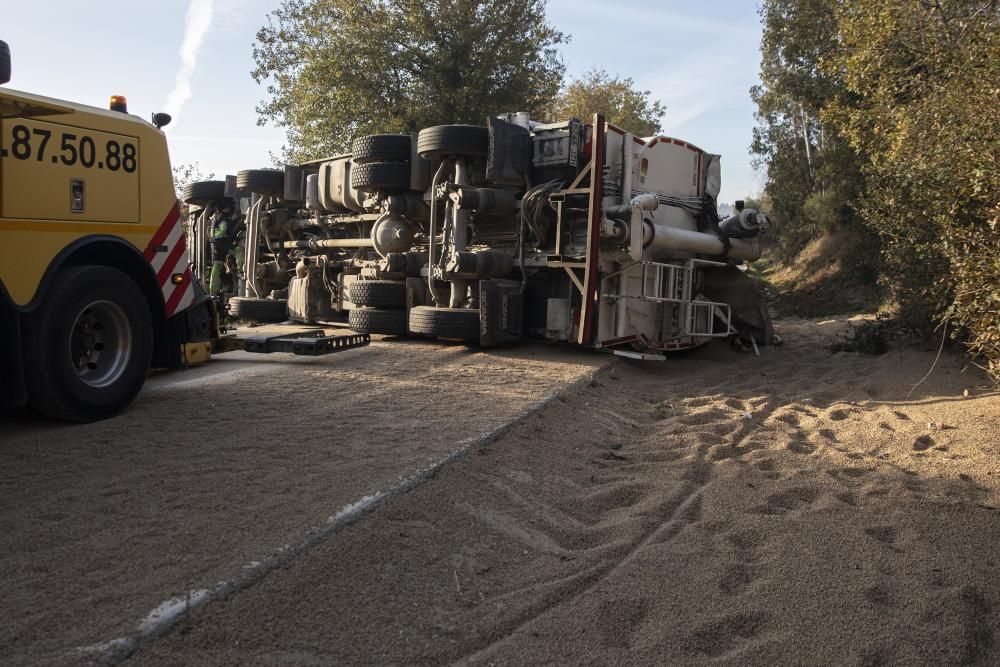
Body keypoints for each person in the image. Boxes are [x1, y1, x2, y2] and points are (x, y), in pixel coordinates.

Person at [207, 201, 242, 296]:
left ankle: (213, 292)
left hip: (217, 246)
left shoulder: (216, 217)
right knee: (239, 251)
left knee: (216, 269)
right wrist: (236, 221)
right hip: (222, 245)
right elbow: (226, 229)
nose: (229, 209)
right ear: (223, 208)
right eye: (227, 207)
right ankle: (242, 273)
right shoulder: (223, 218)